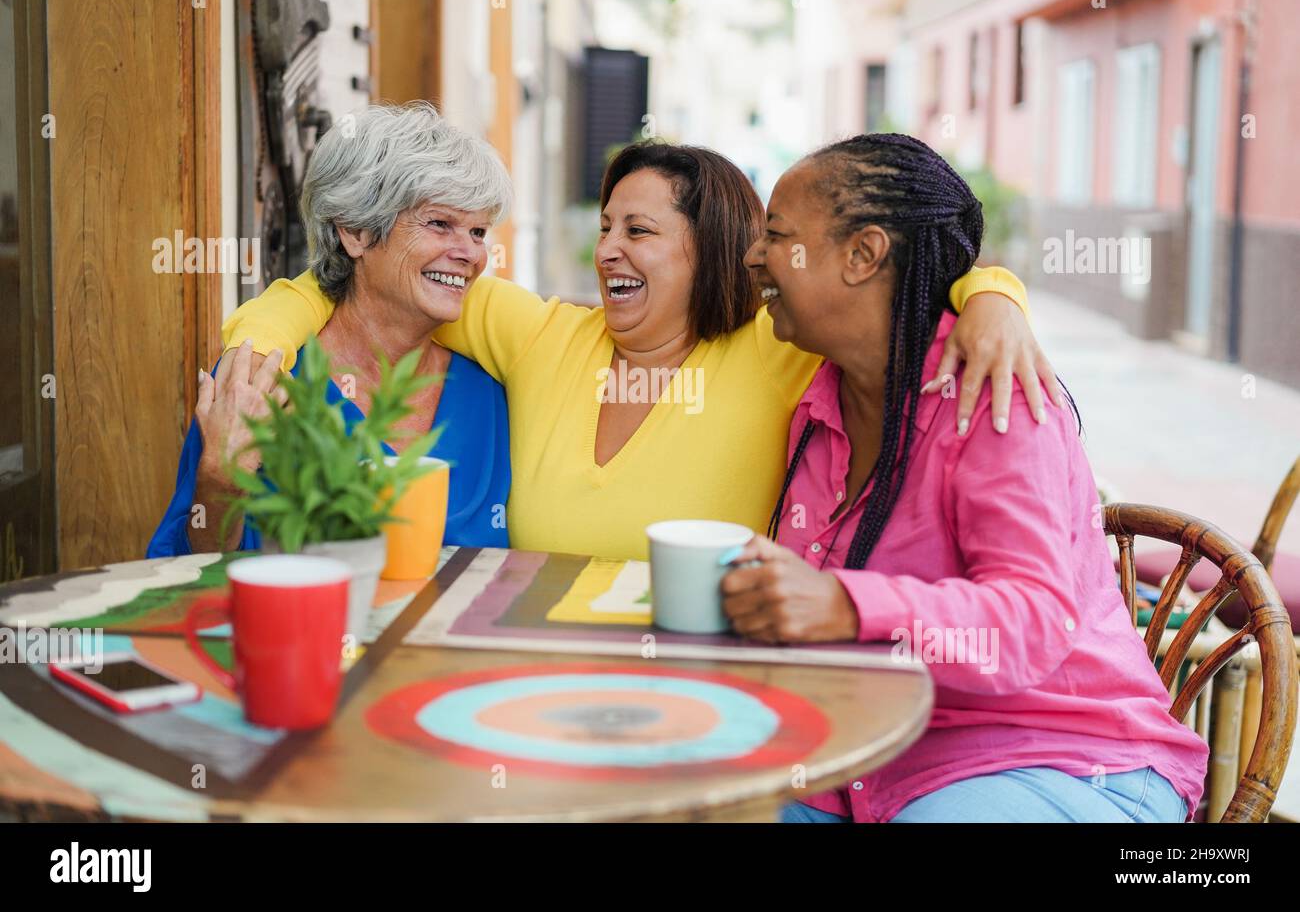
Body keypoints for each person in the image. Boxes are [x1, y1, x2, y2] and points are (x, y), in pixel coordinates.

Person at [220, 141, 1054, 560]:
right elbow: (372, 283)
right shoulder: (543, 334)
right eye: (607, 227)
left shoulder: (778, 348)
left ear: (714, 248)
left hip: (700, 693)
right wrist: (257, 344)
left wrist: (992, 296)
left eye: (641, 231)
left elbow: (904, 284)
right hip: (534, 686)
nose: (609, 250)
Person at [721, 133, 1209, 822]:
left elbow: (1032, 622)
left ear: (863, 254)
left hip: (1062, 754)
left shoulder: (997, 397)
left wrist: (843, 603)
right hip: (877, 756)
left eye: (775, 234)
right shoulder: (817, 405)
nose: (754, 254)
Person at [147, 103, 512, 556]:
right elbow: (188, 570)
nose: (470, 253)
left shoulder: (489, 391)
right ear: (355, 232)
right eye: (439, 223)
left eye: (478, 232)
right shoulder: (258, 377)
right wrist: (221, 475)